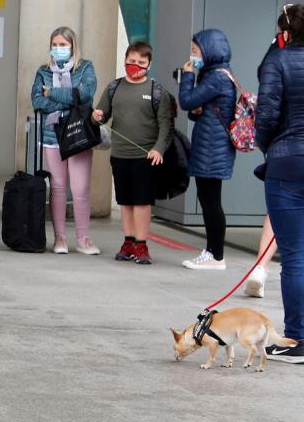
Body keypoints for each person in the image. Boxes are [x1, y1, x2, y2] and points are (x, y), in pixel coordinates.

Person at [94, 41, 175, 266]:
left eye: (141, 62)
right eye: (131, 61)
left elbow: (166, 124)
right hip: (119, 155)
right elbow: (102, 114)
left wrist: (158, 149)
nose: (135, 65)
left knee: (142, 202)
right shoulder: (114, 88)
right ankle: (128, 242)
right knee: (126, 202)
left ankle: (142, 244)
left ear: (149, 64)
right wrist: (97, 115)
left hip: (146, 157)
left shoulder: (156, 91)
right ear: (125, 60)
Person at [259, 3, 304, 363]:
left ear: (285, 33)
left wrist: (269, 148)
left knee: (295, 256)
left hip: (287, 162)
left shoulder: (278, 61)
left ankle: (297, 340)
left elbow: (267, 116)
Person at [29, 26, 100, 255]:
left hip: (78, 133)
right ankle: (59, 238)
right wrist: (68, 100)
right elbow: (38, 101)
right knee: (58, 187)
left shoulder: (85, 67)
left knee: (80, 188)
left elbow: (86, 95)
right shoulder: (43, 72)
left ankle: (83, 238)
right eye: (55, 44)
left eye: (63, 44)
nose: (58, 49)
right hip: (51, 136)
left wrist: (53, 93)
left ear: (73, 46)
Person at [177, 28, 238, 270]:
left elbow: (186, 101)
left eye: (195, 51)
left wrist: (187, 76)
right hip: (210, 145)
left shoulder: (217, 77)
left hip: (214, 148)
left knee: (211, 201)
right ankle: (212, 252)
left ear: (209, 50)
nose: (192, 56)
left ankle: (216, 255)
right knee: (207, 198)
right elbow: (198, 111)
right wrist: (196, 109)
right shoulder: (214, 74)